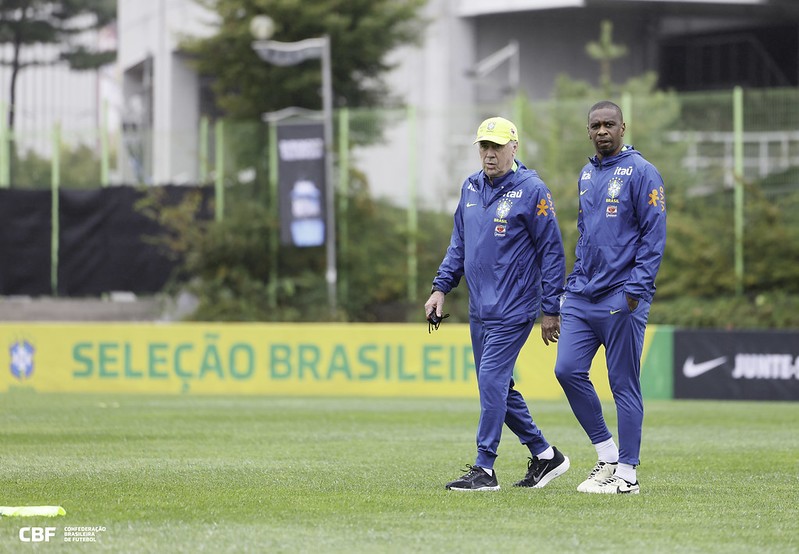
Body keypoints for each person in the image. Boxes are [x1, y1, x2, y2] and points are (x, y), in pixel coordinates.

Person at [425, 116, 569, 491]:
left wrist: (550, 308)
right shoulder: (470, 187)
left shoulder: (532, 190)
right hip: (479, 310)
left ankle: (484, 468)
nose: (489, 154)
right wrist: (441, 288)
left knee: (491, 381)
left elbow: (552, 252)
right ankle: (545, 454)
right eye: (484, 147)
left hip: (514, 307)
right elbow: (459, 244)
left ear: (514, 148)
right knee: (498, 389)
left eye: (497, 147)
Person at [554, 101, 667, 494]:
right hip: (583, 295)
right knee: (566, 370)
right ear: (588, 131)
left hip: (623, 296)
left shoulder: (642, 172)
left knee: (623, 384)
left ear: (623, 127)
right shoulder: (586, 173)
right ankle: (607, 456)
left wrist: (636, 290)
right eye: (596, 125)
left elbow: (654, 236)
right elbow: (585, 233)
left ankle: (628, 475)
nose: (602, 131)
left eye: (609, 124)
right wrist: (572, 283)